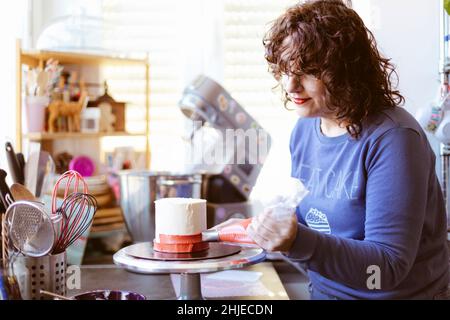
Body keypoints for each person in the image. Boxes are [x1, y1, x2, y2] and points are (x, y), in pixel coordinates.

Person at [217, 0, 450, 299]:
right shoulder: (305, 129)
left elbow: (386, 269)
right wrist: (255, 232)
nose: (290, 85)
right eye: (285, 69)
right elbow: (316, 228)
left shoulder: (393, 139)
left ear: (346, 69)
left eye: (306, 70)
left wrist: (295, 241)